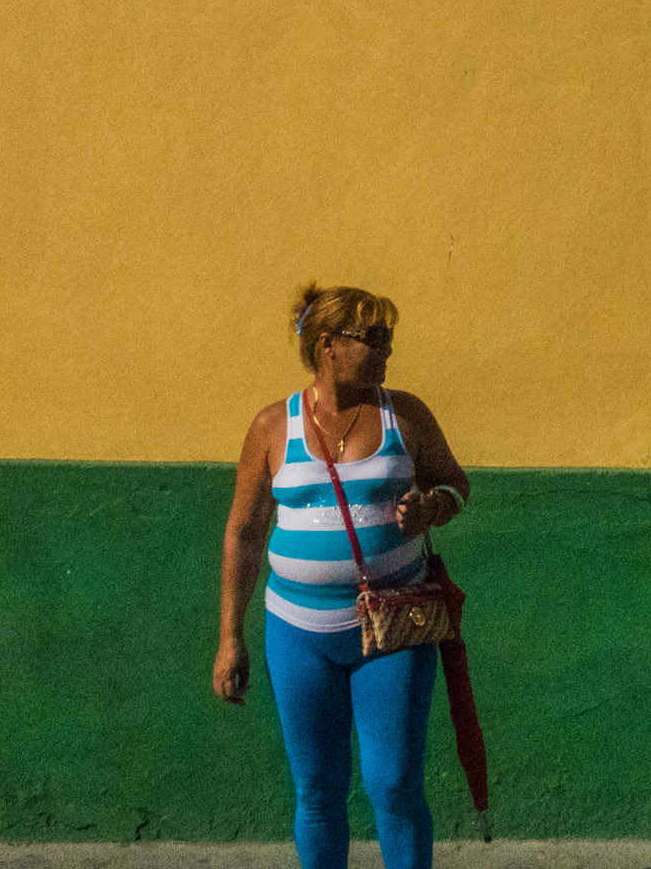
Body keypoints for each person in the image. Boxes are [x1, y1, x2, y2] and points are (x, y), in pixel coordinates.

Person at [213, 284, 470, 869]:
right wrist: (231, 637)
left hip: (394, 631)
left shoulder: (405, 415)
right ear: (327, 345)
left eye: (388, 338)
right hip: (297, 633)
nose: (386, 350)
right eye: (372, 338)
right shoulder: (272, 427)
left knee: (394, 784)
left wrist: (434, 506)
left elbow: (457, 484)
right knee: (318, 791)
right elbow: (245, 532)